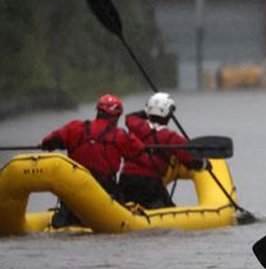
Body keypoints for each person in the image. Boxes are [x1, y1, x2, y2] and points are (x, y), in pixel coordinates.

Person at [39, 93, 150, 227]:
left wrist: (45, 146)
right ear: (115, 116)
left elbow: (50, 141)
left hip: (74, 188)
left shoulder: (75, 127)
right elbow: (141, 154)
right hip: (103, 191)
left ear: (98, 111)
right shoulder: (120, 135)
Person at [121, 92, 207, 209]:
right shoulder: (171, 138)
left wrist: (150, 110)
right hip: (150, 183)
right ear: (169, 115)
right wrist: (204, 164)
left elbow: (131, 116)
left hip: (126, 179)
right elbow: (191, 161)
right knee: (168, 207)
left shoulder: (135, 125)